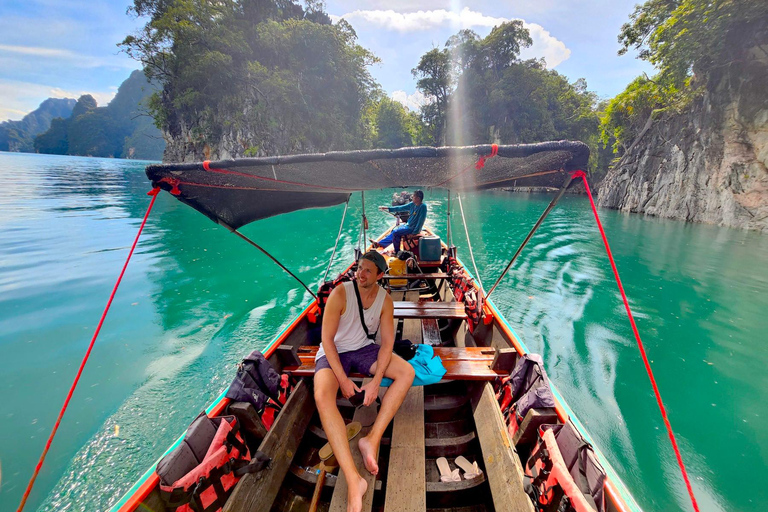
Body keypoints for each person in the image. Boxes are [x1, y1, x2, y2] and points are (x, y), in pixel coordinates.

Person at [313, 251, 415, 512]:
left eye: (368, 270)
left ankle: (371, 439)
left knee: (406, 372)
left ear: (381, 275)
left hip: (363, 349)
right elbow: (326, 340)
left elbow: (388, 343)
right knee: (323, 397)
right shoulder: (341, 293)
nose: (361, 273)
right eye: (360, 268)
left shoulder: (385, 300)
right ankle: (354, 481)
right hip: (334, 351)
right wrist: (343, 380)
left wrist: (375, 381)